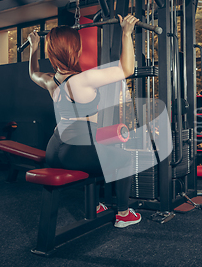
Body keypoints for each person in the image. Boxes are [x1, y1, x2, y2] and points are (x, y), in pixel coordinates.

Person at [27, 14, 142, 228]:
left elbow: (33, 72)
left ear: (51, 52)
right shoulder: (83, 79)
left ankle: (96, 204)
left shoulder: (50, 81)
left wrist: (33, 47)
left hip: (54, 150)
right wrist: (126, 33)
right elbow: (127, 70)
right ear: (75, 50)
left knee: (97, 153)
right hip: (76, 151)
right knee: (125, 160)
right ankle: (124, 214)